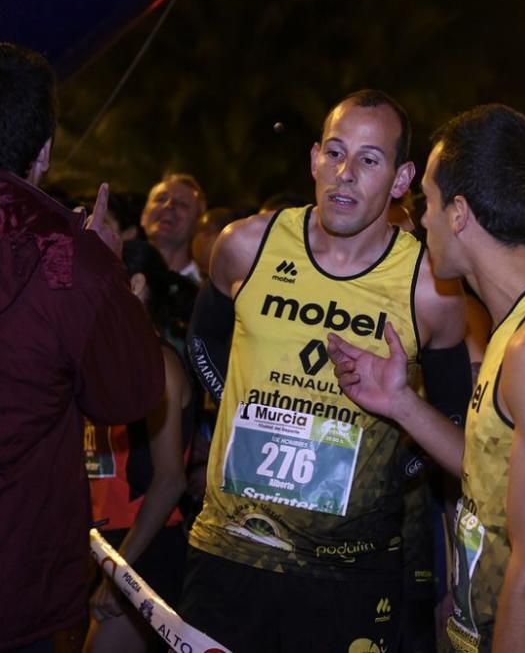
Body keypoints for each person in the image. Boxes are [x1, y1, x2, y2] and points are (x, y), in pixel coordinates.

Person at [181, 89, 466, 653]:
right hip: (229, 549)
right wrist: (233, 406)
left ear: (402, 177)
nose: (344, 174)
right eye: (334, 153)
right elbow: (202, 342)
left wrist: (393, 467)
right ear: (313, 158)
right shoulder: (246, 245)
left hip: (350, 568)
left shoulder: (432, 288)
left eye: (368, 159)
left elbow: (457, 415)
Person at [328, 104, 525, 652]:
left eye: (429, 203)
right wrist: (400, 403)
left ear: (459, 212)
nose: (423, 220)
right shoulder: (519, 328)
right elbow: (496, 473)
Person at [0, 42, 164, 652]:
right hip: (19, 580)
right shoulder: (72, 258)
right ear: (42, 152)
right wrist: (110, 280)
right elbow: (131, 393)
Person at [85, 241, 195, 653]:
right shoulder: (99, 361)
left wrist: (119, 572)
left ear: (135, 285)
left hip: (145, 546)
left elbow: (169, 480)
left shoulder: (159, 364)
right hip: (105, 542)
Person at [141, 173, 207, 284]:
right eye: (161, 199)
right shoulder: (117, 276)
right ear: (143, 216)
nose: (169, 205)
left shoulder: (204, 292)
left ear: (196, 223)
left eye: (182, 204)